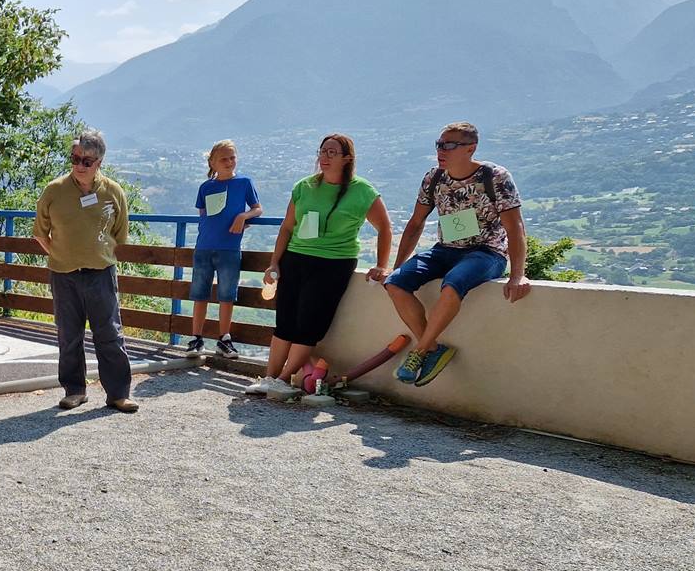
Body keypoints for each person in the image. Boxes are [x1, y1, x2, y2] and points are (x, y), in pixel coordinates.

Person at [383, 122, 532, 386]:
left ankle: (418, 352)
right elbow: (416, 223)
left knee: (452, 285)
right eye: (439, 144)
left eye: (449, 145)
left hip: (486, 253)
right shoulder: (434, 178)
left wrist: (518, 275)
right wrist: (398, 266)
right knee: (395, 284)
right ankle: (432, 349)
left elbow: (515, 226)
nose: (441, 150)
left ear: (470, 149)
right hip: (446, 248)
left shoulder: (495, 176)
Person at [246, 133, 392, 397]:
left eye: (332, 153)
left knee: (309, 323)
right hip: (297, 258)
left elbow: (384, 227)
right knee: (285, 321)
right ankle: (268, 378)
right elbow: (287, 227)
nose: (324, 158)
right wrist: (274, 264)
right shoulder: (304, 187)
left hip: (334, 263)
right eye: (322, 152)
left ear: (347, 158)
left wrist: (382, 264)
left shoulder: (363, 191)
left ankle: (283, 378)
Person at [33, 128, 138, 413]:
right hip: (64, 273)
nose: (79, 165)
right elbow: (41, 233)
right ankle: (74, 390)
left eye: (86, 161)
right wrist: (58, 253)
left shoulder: (113, 192)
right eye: (75, 158)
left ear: (99, 163)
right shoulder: (54, 190)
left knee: (110, 334)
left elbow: (120, 233)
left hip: (101, 272)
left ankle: (118, 393)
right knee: (69, 334)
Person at [188, 140, 261, 356]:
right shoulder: (206, 187)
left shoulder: (244, 183)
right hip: (203, 247)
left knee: (226, 295)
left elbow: (258, 209)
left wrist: (243, 216)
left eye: (232, 157)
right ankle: (196, 339)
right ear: (213, 162)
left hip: (229, 248)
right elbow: (203, 215)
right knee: (199, 294)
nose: (229, 162)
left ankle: (224, 338)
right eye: (224, 159)